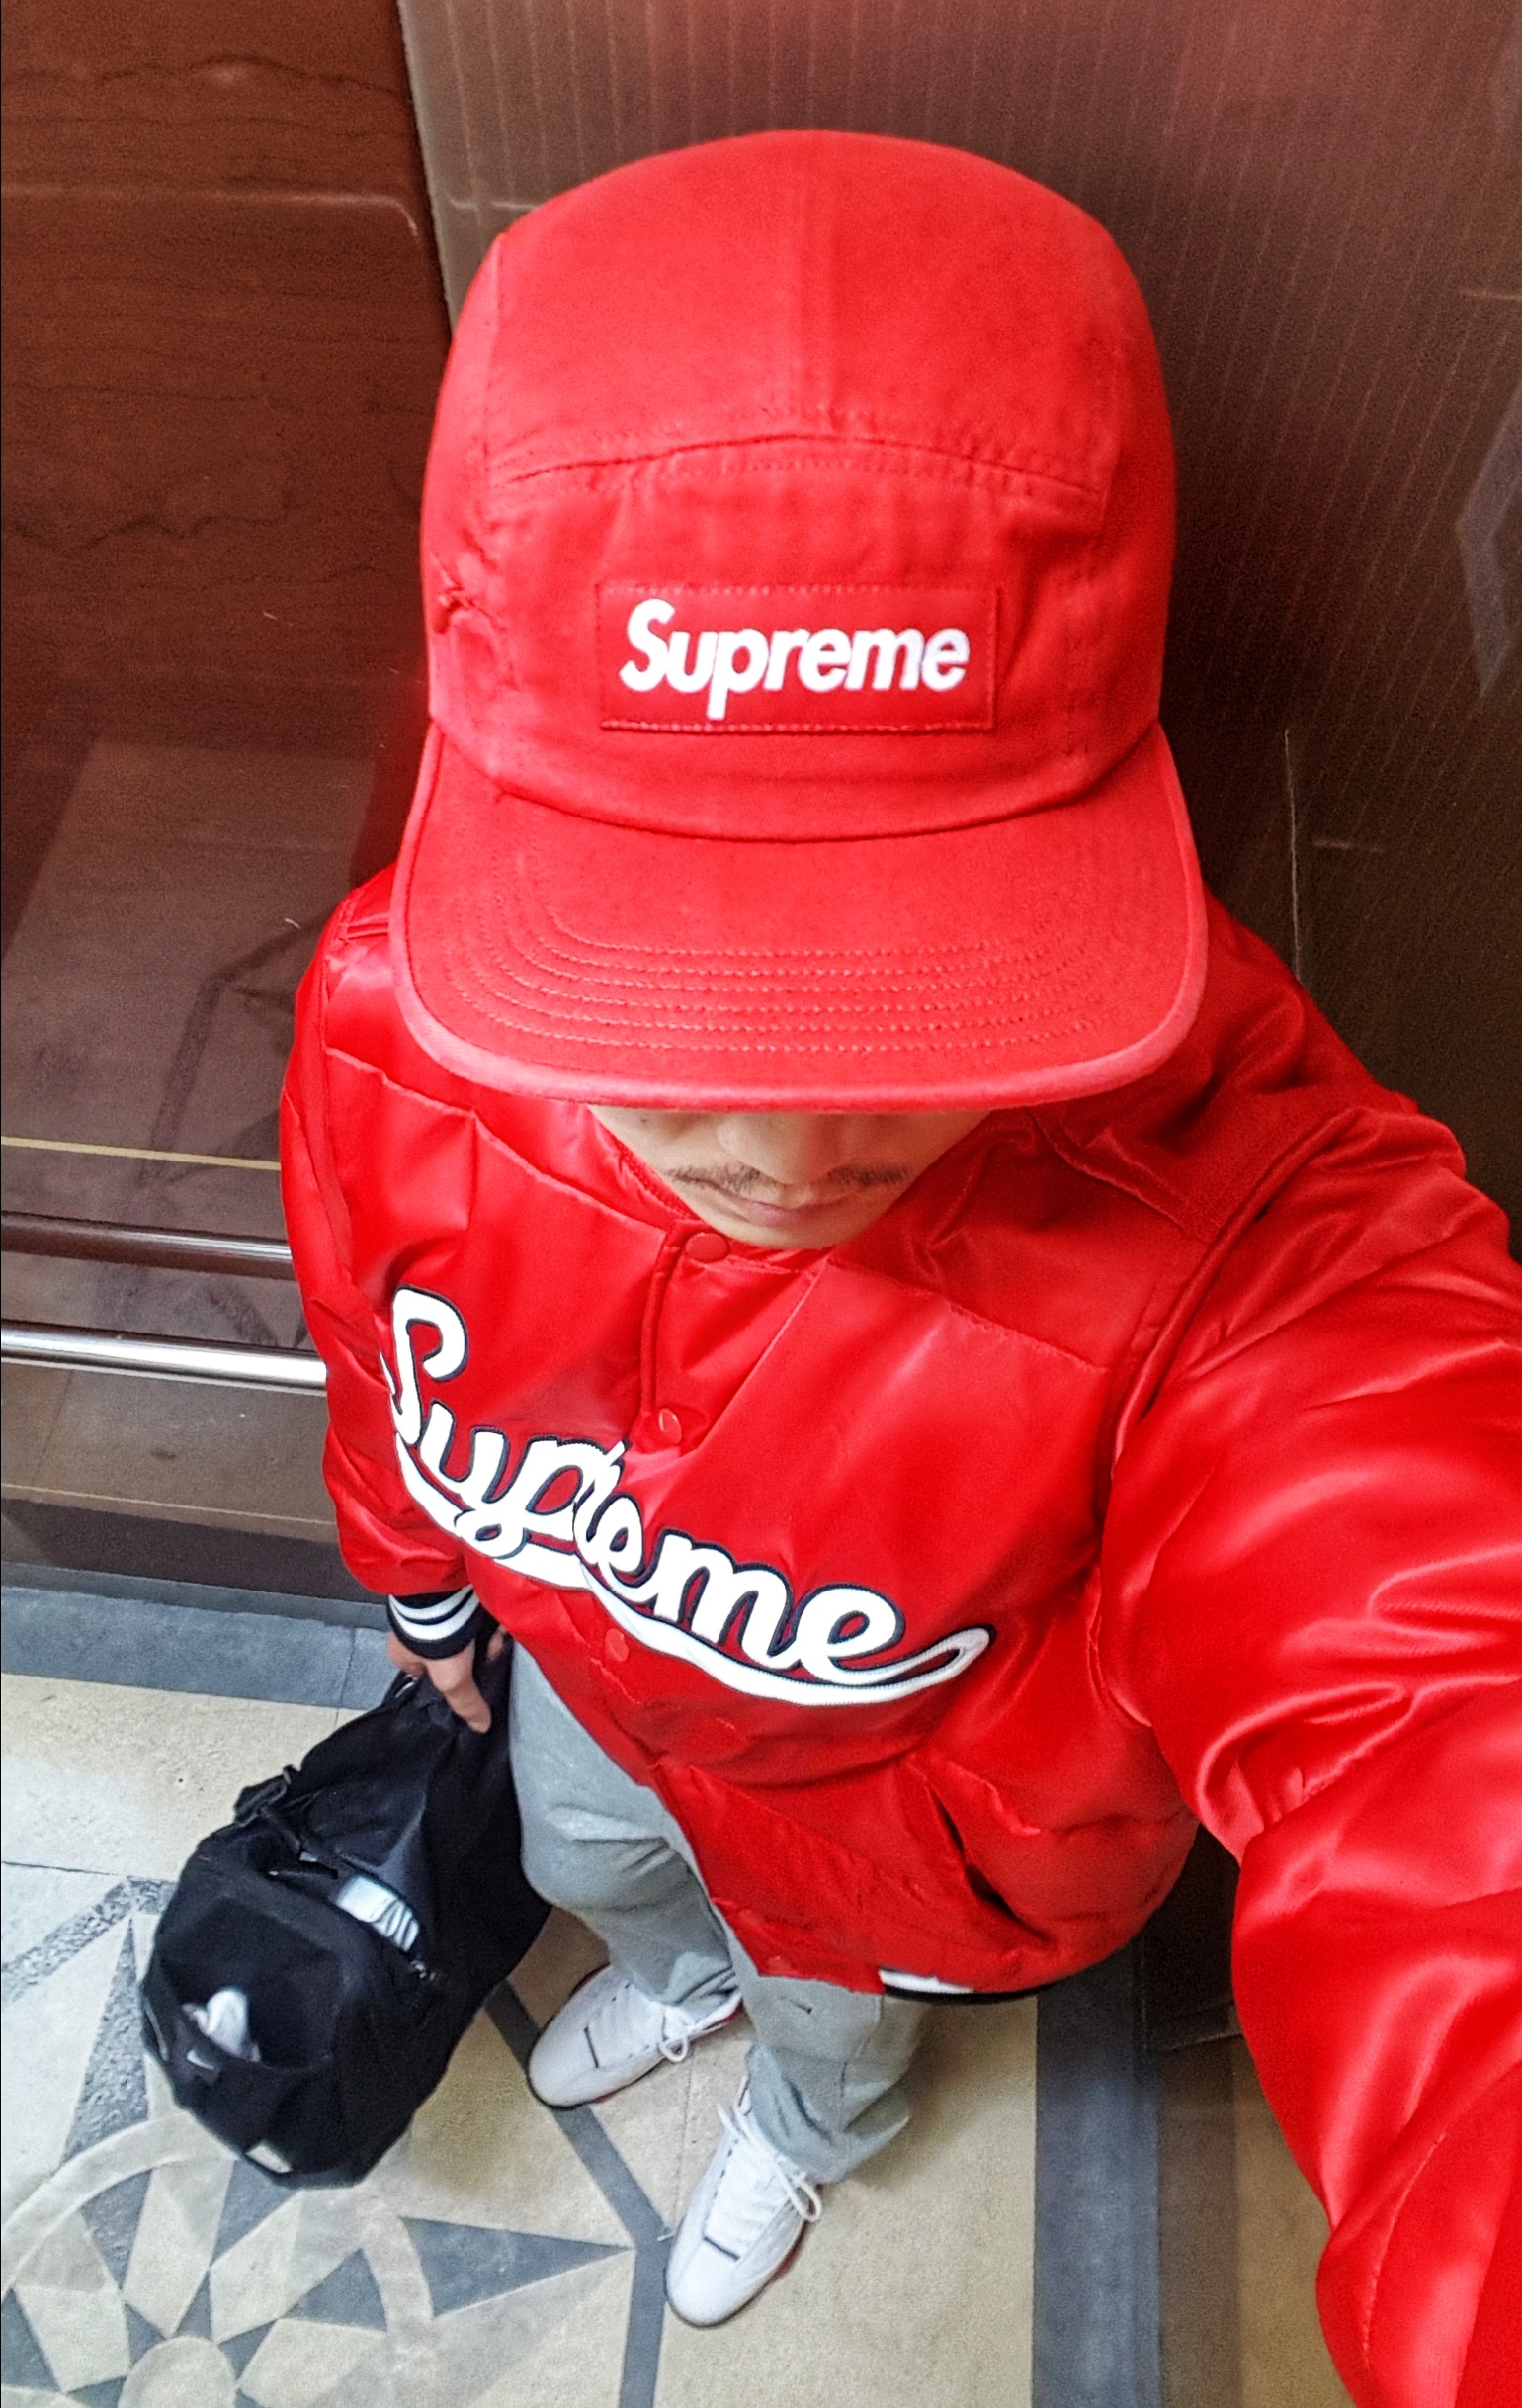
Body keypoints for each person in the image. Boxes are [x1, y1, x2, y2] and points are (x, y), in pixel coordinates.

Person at [281, 131, 1521, 2398]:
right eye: (656, 997)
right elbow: (374, 1329)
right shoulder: (390, 1021)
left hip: (899, 1846)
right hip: (593, 1699)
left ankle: (794, 2118)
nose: (778, 1152)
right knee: (599, 1857)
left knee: (830, 2033)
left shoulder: (1242, 1228)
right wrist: (423, 1592)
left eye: (911, 1002)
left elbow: (1444, 1678)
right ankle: (682, 1980)